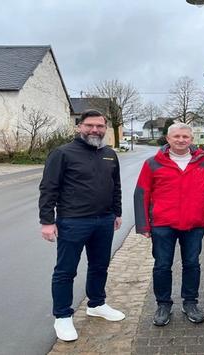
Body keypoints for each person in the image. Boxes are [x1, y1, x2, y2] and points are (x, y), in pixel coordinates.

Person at [39, 110, 125, 342]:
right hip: (73, 221)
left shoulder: (109, 154)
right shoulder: (63, 153)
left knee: (100, 266)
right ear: (79, 127)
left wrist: (117, 212)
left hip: (104, 221)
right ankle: (63, 316)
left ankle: (96, 304)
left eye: (100, 126)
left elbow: (115, 185)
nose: (95, 130)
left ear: (106, 128)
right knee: (66, 270)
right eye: (89, 125)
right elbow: (48, 188)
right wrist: (47, 221)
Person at [134, 122, 204, 326]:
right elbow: (141, 194)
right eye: (177, 137)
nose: (181, 140)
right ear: (168, 139)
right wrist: (143, 225)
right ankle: (163, 305)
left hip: (194, 223)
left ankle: (190, 303)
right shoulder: (153, 162)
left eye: (185, 137)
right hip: (163, 224)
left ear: (191, 139)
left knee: (192, 264)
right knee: (162, 265)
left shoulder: (203, 161)